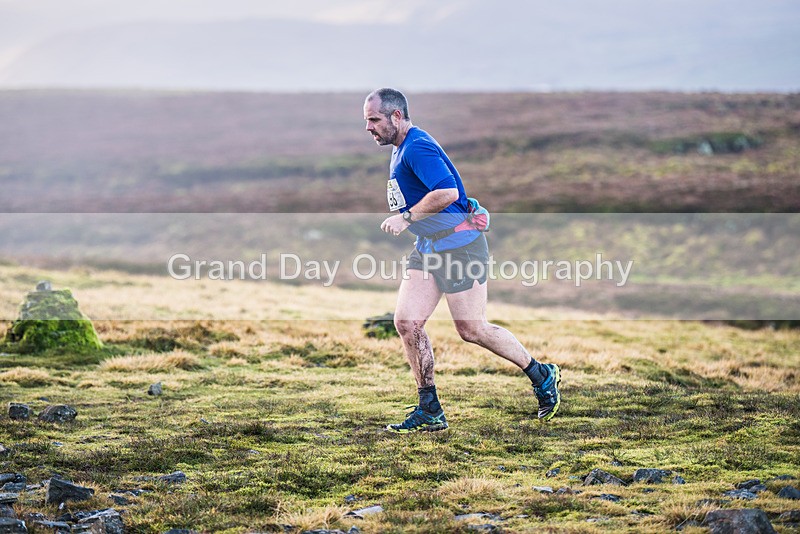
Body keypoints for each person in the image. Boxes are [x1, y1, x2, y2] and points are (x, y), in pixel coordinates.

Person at [363, 88, 561, 433]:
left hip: (460, 247)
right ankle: (430, 410)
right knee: (407, 322)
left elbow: (448, 193)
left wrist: (406, 217)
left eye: (374, 119)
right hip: (428, 246)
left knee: (472, 329)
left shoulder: (417, 146)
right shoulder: (400, 149)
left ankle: (541, 374)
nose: (368, 127)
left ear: (396, 116)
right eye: (366, 120)